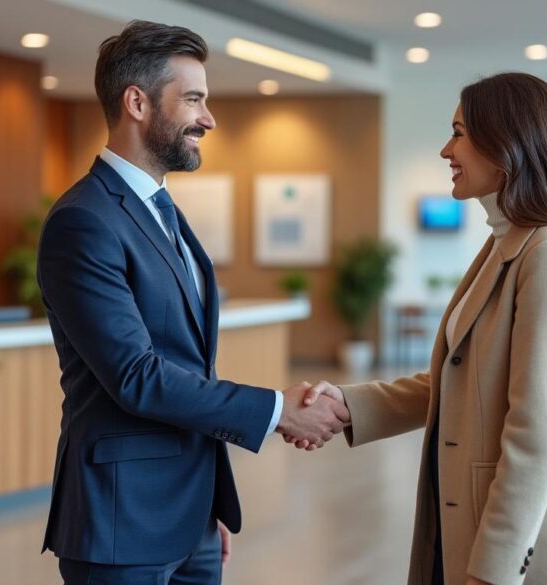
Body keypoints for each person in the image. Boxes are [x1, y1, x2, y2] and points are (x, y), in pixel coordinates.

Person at [36, 21, 349, 585]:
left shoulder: (161, 209)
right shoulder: (83, 221)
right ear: (136, 102)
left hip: (192, 516)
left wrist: (204, 502)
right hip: (121, 522)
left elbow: (186, 364)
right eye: (194, 100)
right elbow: (136, 376)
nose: (209, 118)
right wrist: (278, 411)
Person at [291, 72, 547, 585]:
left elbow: (537, 430)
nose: (447, 150)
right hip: (463, 519)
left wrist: (494, 569)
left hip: (515, 544)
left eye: (459, 132)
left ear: (507, 143)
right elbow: (460, 378)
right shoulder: (504, 244)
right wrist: (348, 404)